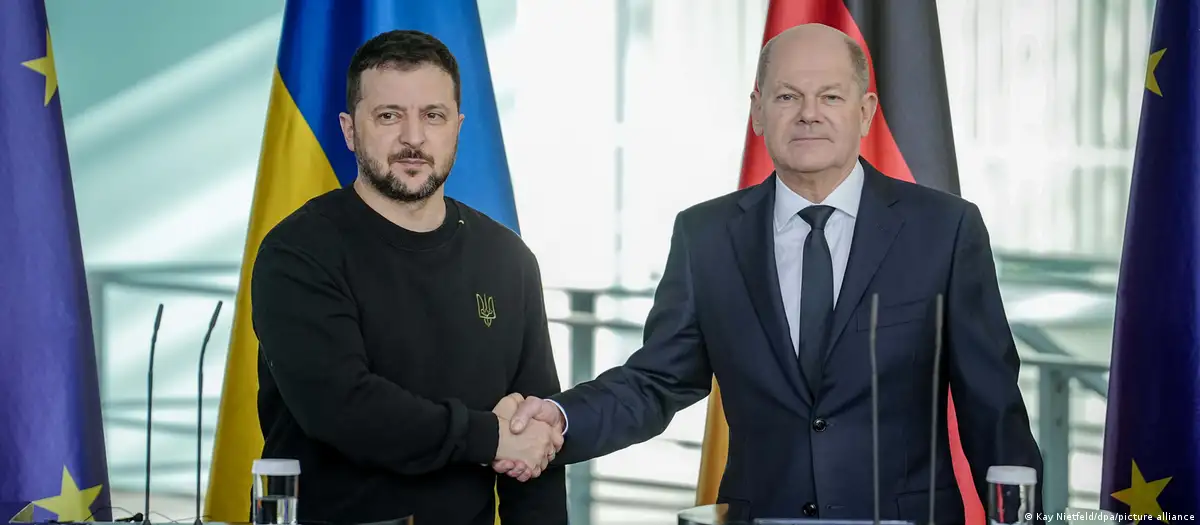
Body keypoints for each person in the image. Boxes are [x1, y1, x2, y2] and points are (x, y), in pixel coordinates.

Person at [495, 23, 1043, 522]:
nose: (809, 113)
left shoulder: (944, 230)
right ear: (758, 112)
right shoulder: (705, 236)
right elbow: (656, 381)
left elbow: (991, 405)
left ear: (866, 111)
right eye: (788, 96)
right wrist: (559, 419)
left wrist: (1019, 516)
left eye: (831, 96)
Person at [252, 29, 566, 525]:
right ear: (349, 130)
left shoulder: (509, 259)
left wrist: (516, 440)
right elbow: (345, 408)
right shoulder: (297, 253)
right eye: (389, 115)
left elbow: (537, 434)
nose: (413, 138)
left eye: (433, 116)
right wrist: (492, 436)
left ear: (458, 127)